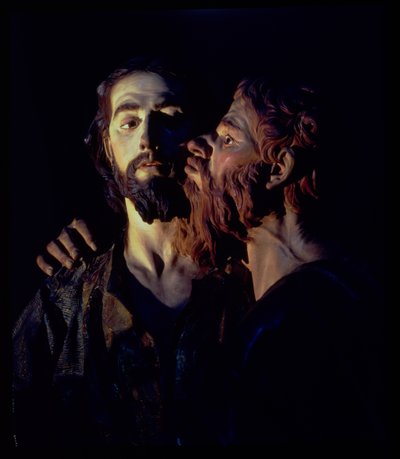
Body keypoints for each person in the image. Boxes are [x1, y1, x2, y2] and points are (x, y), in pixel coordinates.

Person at [12, 56, 251, 447]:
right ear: (107, 148)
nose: (148, 138)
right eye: (129, 122)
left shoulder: (249, 282)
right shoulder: (65, 300)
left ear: (198, 136)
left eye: (170, 117)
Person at [181, 76, 385, 444]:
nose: (198, 145)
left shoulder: (290, 324)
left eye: (228, 139)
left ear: (278, 169)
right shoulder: (342, 286)